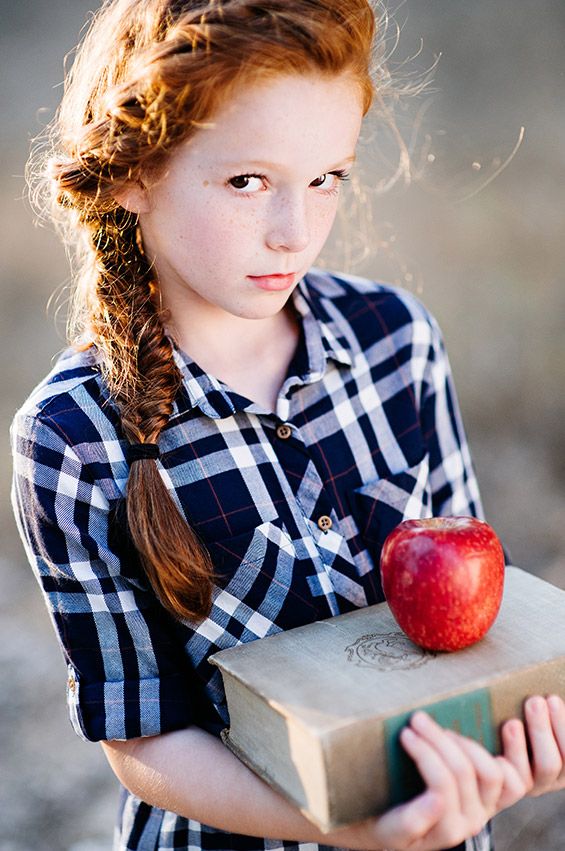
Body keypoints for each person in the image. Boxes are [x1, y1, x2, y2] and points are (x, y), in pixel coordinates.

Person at [10, 1, 565, 850]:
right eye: (246, 181)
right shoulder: (71, 436)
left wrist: (518, 738)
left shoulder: (396, 340)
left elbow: (475, 622)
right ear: (133, 173)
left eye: (325, 178)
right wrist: (347, 828)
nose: (295, 231)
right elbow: (144, 739)